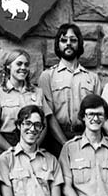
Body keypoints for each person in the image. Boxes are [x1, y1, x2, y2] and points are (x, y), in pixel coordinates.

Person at [39, 24, 101, 155]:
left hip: (85, 137)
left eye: (73, 40)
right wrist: (64, 144)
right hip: (55, 139)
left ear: (79, 44)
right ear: (58, 44)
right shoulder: (47, 76)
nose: (68, 44)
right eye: (63, 40)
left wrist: (86, 140)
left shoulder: (92, 78)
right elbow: (48, 115)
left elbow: (98, 113)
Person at [0, 48, 53, 153]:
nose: (23, 68)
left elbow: (45, 125)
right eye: (19, 64)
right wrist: (12, 150)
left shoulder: (38, 92)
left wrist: (33, 148)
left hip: (32, 145)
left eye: (26, 64)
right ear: (8, 66)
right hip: (6, 147)